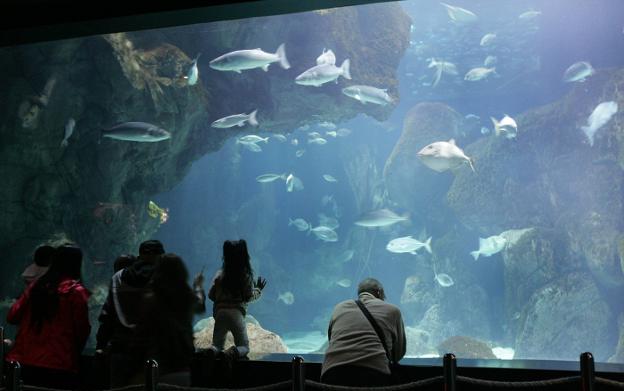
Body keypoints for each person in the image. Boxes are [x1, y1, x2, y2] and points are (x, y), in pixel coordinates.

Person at [6, 244, 91, 390]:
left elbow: (12, 316)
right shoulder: (75, 293)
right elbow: (81, 331)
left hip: (23, 361)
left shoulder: (35, 287)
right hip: (59, 365)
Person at [95, 240, 165, 387]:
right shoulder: (163, 277)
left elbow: (107, 316)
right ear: (158, 256)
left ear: (140, 255)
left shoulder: (118, 277)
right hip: (151, 352)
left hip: (120, 348)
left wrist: (101, 345)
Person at [321, 278, 406, 387]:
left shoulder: (339, 308)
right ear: (379, 292)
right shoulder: (393, 311)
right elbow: (398, 354)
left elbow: (331, 339)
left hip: (331, 374)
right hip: (374, 375)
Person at [139, 253, 206, 385]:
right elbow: (200, 306)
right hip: (182, 369)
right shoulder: (187, 298)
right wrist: (198, 286)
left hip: (156, 370)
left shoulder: (150, 298)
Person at [208, 239, 266, 360]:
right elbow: (249, 296)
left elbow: (211, 295)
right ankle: (230, 353)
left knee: (216, 345)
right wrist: (258, 289)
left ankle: (211, 352)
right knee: (244, 347)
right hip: (236, 314)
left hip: (220, 313)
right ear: (245, 257)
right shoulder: (246, 275)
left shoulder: (220, 275)